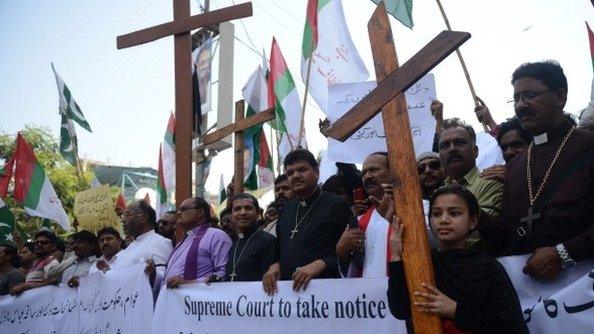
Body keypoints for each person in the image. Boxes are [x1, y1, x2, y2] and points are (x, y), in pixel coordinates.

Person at [478, 61, 594, 280]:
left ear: (560, 97)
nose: (521, 105)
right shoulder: (514, 166)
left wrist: (565, 253)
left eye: (530, 95)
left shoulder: (589, 146)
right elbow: (506, 234)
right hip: (536, 301)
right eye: (517, 98)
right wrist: (473, 210)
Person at [387, 185, 528, 334]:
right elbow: (399, 310)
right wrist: (396, 257)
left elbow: (513, 327)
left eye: (454, 213)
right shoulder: (421, 262)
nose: (444, 220)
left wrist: (454, 310)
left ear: (473, 221)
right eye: (436, 214)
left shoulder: (487, 267)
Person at [262, 149, 355, 294]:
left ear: (316, 172)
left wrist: (322, 263)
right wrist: (275, 265)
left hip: (326, 292)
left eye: (302, 170)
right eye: (290, 173)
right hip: (289, 293)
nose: (295, 175)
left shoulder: (336, 204)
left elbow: (351, 251)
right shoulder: (287, 209)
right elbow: (279, 248)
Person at [439, 118, 503, 219]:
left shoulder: (490, 183)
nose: (452, 149)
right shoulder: (438, 191)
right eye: (445, 145)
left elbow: (480, 228)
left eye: (459, 143)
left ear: (475, 151)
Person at [164, 196, 232, 288]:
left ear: (200, 213)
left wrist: (191, 283)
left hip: (199, 299)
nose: (179, 213)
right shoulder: (183, 240)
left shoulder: (216, 236)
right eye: (178, 210)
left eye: (183, 209)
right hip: (173, 299)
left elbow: (225, 273)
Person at [110, 200, 173, 290]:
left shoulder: (160, 243)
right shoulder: (129, 247)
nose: (123, 220)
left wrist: (153, 273)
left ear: (143, 217)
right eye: (123, 216)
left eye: (127, 215)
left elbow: (163, 280)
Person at [224, 193, 275, 282]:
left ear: (258, 214)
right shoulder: (234, 245)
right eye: (237, 209)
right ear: (231, 216)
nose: (243, 213)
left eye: (248, 208)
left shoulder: (268, 241)